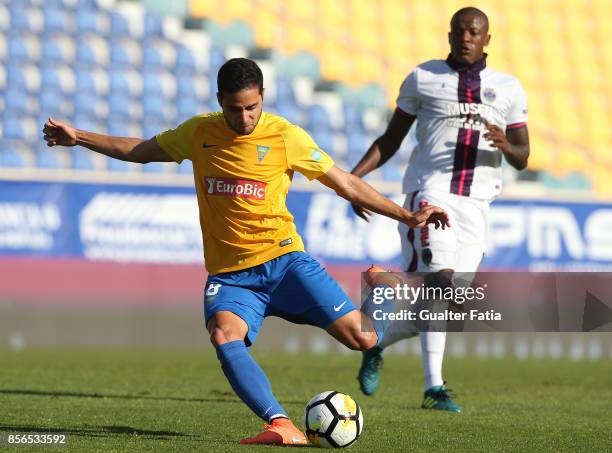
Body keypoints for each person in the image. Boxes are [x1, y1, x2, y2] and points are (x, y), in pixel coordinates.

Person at [42, 58, 449, 445]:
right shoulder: (199, 131)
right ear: (220, 101)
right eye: (235, 110)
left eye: (252, 108)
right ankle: (281, 424)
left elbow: (343, 182)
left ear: (263, 97)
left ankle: (383, 286)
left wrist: (406, 215)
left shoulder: (285, 135)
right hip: (231, 277)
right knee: (223, 334)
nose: (245, 119)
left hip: (285, 261)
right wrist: (80, 138)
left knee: (364, 338)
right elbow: (142, 150)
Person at [351, 7, 530, 412]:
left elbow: (523, 156)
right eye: (459, 31)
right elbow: (391, 139)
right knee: (442, 281)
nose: (465, 37)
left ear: (488, 39)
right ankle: (434, 388)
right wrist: (354, 180)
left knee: (446, 301)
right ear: (448, 35)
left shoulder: (509, 88)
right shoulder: (423, 78)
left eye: (474, 31)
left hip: (477, 204)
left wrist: (507, 146)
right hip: (430, 195)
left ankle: (375, 341)